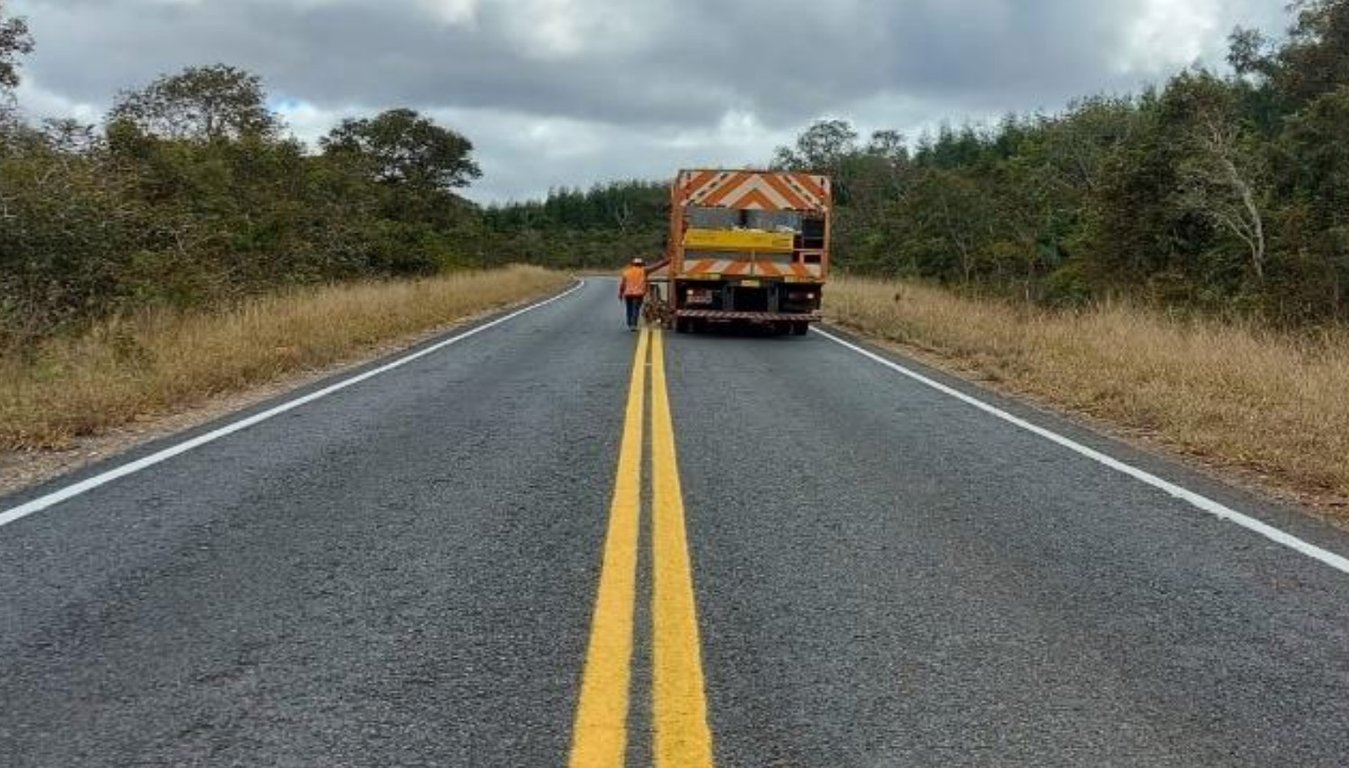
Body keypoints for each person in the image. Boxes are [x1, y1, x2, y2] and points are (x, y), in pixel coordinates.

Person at [618, 258, 648, 331]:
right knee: (636, 309)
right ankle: (633, 325)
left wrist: (620, 293)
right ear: (641, 264)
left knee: (629, 309)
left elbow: (623, 284)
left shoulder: (627, 272)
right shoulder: (643, 271)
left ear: (632, 264)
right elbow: (656, 267)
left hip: (628, 293)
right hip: (638, 294)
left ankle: (629, 323)